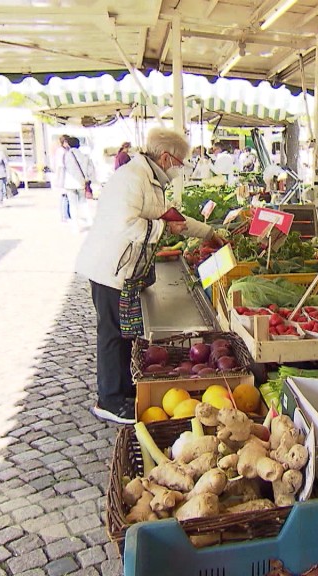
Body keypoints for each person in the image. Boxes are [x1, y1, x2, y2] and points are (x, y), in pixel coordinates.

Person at [75, 127, 215, 424]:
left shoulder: (149, 179)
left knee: (123, 334)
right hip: (109, 268)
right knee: (111, 334)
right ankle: (109, 400)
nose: (180, 169)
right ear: (165, 158)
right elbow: (127, 225)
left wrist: (209, 234)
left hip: (122, 269)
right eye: (180, 163)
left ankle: (123, 389)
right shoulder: (132, 179)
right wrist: (164, 230)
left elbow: (172, 217)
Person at [60, 136, 96, 231]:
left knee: (72, 204)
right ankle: (90, 221)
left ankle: (76, 226)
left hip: (69, 183)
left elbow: (63, 169)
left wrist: (61, 183)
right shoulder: (84, 155)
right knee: (83, 202)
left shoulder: (66, 155)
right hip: (81, 182)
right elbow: (90, 169)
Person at [52, 134, 71, 222]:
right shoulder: (61, 151)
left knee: (67, 196)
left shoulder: (64, 150)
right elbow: (61, 166)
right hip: (63, 176)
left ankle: (67, 215)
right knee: (65, 196)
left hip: (64, 176)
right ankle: (64, 216)